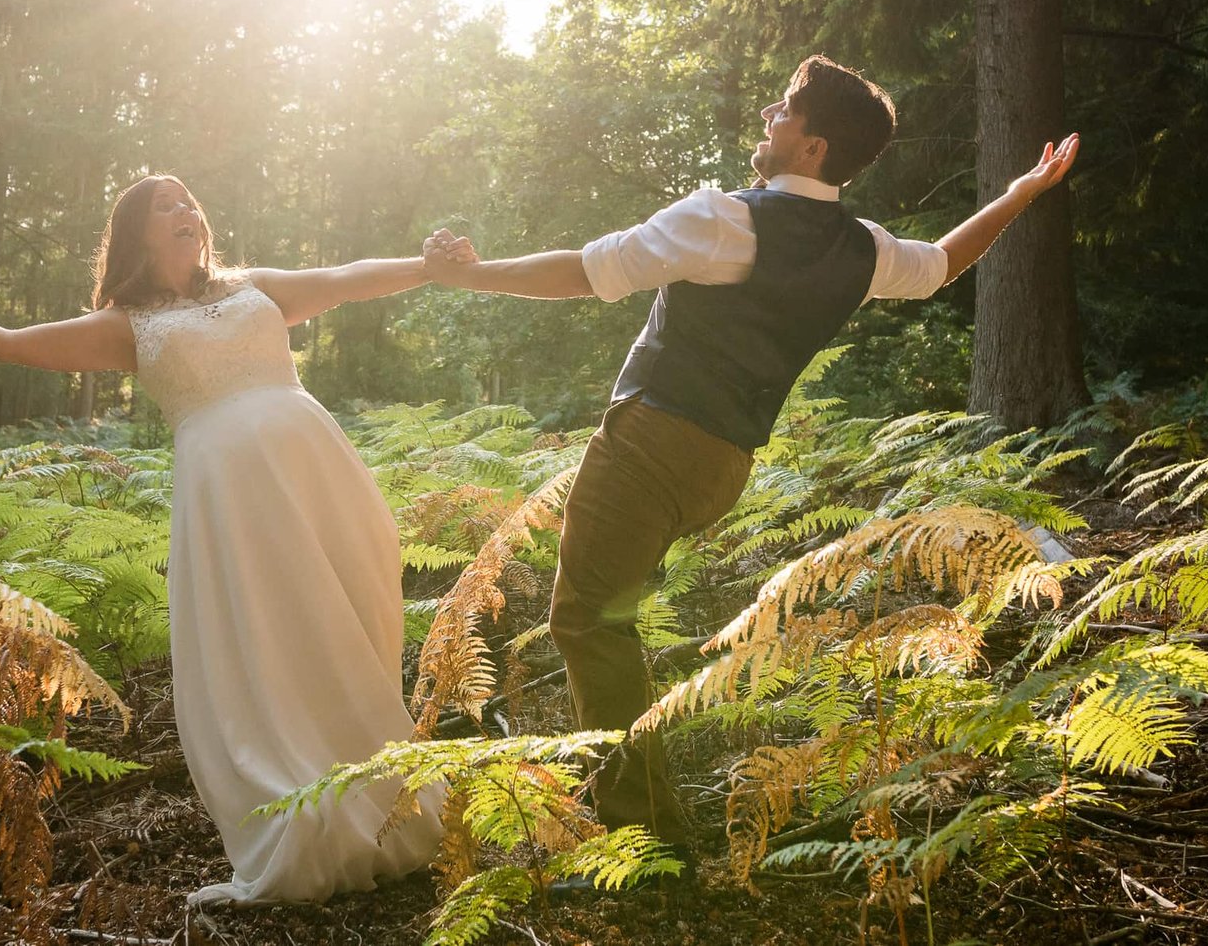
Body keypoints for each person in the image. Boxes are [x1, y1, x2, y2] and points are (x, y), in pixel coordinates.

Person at [422, 55, 1079, 858]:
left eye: (785, 111)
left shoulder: (722, 219)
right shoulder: (860, 248)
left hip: (652, 444)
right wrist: (1021, 194)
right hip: (723, 467)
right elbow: (942, 265)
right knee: (610, 619)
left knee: (587, 622)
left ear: (812, 147)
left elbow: (588, 272)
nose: (769, 115)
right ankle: (628, 791)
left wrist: (472, 275)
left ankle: (642, 836)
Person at [0, 174, 465, 907]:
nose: (187, 209)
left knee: (355, 616)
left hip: (318, 470)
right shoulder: (126, 324)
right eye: (167, 204)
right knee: (276, 632)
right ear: (137, 232)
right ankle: (310, 810)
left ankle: (390, 795)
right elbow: (11, 344)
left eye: (190, 200)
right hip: (231, 499)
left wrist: (428, 267)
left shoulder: (255, 286)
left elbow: (348, 279)